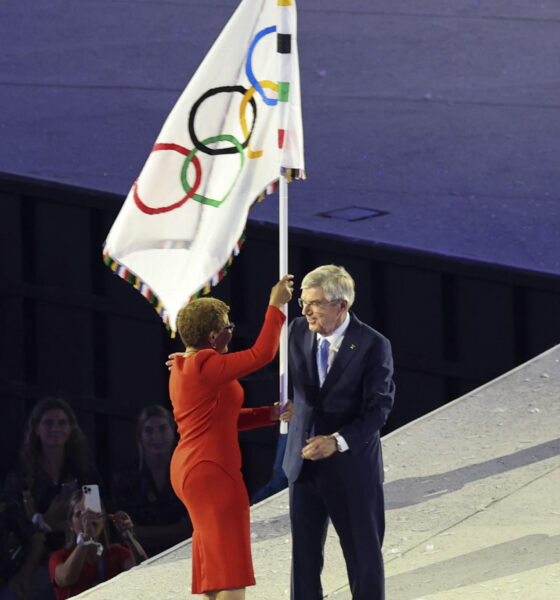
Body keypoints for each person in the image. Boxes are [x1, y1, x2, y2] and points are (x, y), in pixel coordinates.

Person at [169, 275, 294, 600]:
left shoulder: (184, 365)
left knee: (216, 570)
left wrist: (268, 413)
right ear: (214, 336)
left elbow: (223, 420)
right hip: (212, 472)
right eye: (228, 326)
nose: (231, 331)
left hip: (192, 468)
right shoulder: (207, 365)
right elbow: (262, 353)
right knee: (230, 571)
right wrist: (276, 304)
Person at [283, 265, 395, 600]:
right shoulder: (297, 329)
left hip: (352, 471)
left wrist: (337, 441)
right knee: (303, 563)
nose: (305, 311)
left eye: (314, 303)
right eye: (303, 302)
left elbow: (379, 409)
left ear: (341, 306)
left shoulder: (373, 344)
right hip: (303, 467)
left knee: (363, 562)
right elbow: (300, 388)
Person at [3, 397, 99, 599]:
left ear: (71, 428)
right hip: (31, 562)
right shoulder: (20, 477)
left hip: (77, 555)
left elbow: (95, 516)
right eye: (48, 423)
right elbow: (13, 522)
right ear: (36, 429)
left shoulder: (84, 473)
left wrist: (52, 523)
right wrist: (46, 522)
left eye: (62, 423)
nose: (55, 428)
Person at [111, 404, 193, 557]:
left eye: (162, 429)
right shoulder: (127, 476)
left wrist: (147, 532)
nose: (156, 437)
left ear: (173, 431)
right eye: (149, 431)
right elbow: (126, 531)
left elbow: (195, 526)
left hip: (187, 553)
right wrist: (176, 531)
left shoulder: (189, 470)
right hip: (141, 556)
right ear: (140, 436)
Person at [48, 490, 147, 600]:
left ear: (103, 518)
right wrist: (86, 538)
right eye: (79, 514)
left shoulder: (116, 552)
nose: (86, 519)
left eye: (93, 512)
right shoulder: (59, 557)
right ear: (70, 525)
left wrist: (129, 537)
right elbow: (66, 579)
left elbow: (143, 571)